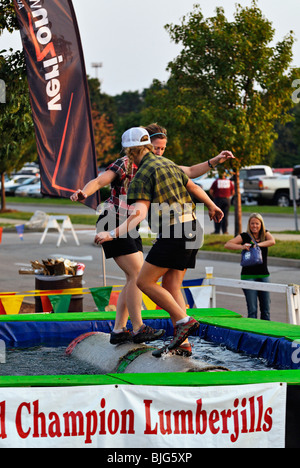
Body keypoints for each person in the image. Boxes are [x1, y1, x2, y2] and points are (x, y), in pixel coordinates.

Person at [71, 124, 233, 353]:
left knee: (140, 278)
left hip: (152, 226)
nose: (160, 152)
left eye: (162, 149)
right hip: (126, 219)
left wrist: (214, 164)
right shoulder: (132, 164)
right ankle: (158, 336)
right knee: (159, 281)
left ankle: (166, 324)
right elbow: (99, 181)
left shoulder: (148, 171)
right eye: (157, 147)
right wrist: (84, 193)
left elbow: (141, 211)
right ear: (147, 145)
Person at [224, 213, 276, 320]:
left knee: (266, 309)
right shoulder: (245, 236)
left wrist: (257, 245)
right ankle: (253, 334)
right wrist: (242, 246)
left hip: (264, 275)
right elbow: (228, 244)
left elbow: (272, 241)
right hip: (248, 276)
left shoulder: (265, 234)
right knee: (252, 310)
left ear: (261, 224)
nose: (255, 226)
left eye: (257, 223)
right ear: (249, 224)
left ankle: (265, 332)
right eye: (252, 223)